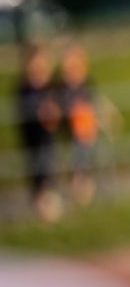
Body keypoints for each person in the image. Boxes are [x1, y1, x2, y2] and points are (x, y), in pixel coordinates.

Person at [16, 44, 63, 222]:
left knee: (49, 166)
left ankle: (48, 203)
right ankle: (40, 204)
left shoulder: (51, 87)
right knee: (37, 169)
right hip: (33, 137)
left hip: (47, 137)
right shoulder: (24, 89)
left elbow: (58, 109)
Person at [56, 43, 100, 206]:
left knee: (84, 153)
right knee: (77, 154)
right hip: (70, 132)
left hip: (86, 132)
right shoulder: (62, 89)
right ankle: (78, 184)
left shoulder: (86, 86)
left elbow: (94, 106)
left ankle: (83, 184)